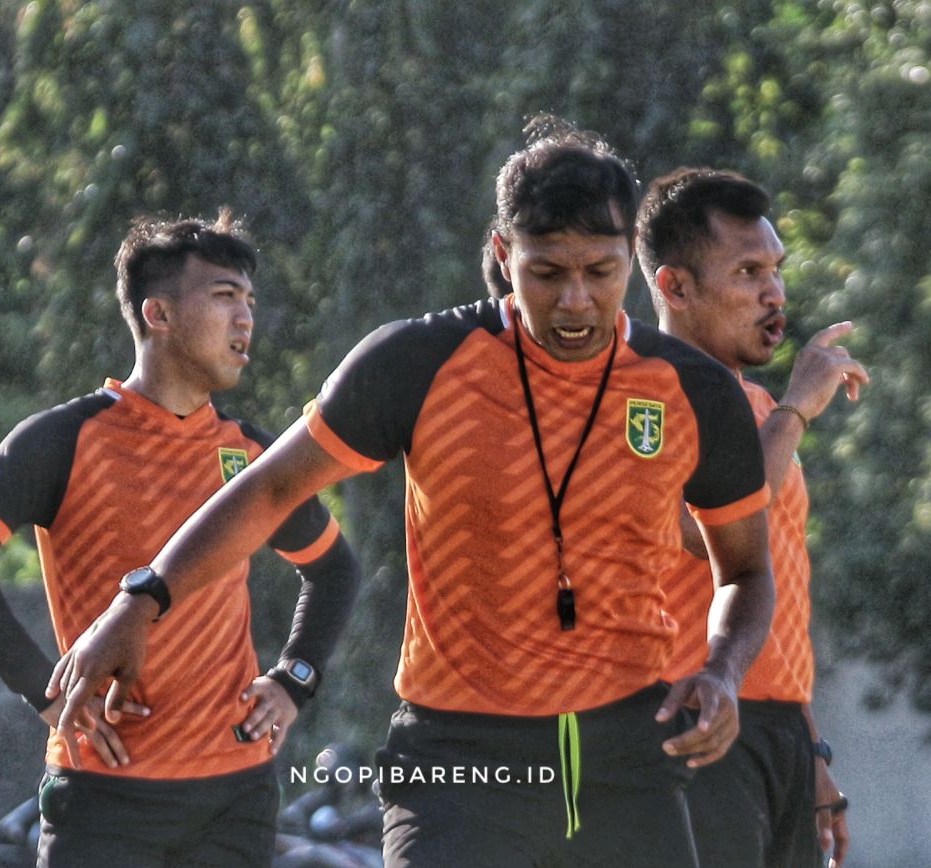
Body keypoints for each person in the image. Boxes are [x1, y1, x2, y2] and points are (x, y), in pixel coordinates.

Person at [47, 119, 776, 867]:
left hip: (628, 763)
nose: (576, 301)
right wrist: (140, 601)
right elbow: (268, 493)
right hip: (459, 766)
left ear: (633, 260)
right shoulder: (419, 363)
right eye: (547, 271)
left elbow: (747, 571)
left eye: (601, 270)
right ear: (502, 254)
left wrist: (722, 669)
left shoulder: (694, 390)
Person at [0, 212, 360, 867]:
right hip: (104, 794)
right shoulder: (65, 439)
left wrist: (295, 679)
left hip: (235, 793)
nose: (246, 321)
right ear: (158, 314)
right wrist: (43, 690)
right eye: (224, 297)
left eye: (250, 302)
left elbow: (334, 570)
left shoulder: (253, 455)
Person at [637, 167, 868, 868]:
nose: (775, 294)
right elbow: (691, 530)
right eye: (747, 271)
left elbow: (781, 590)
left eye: (776, 269)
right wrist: (797, 412)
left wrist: (811, 748)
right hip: (691, 720)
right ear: (676, 286)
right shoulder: (642, 397)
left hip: (775, 733)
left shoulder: (761, 410)